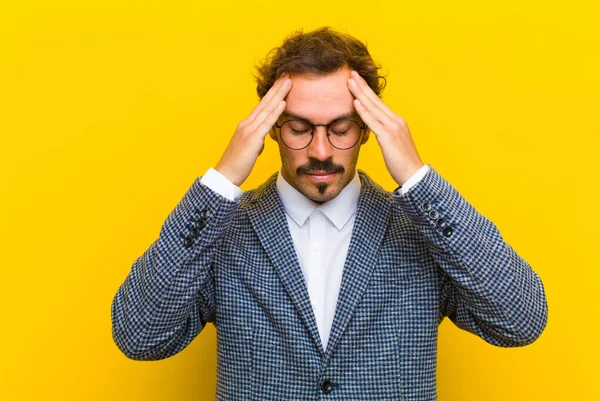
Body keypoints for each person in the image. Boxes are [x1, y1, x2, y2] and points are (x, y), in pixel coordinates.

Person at [111, 27, 548, 400]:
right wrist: (222, 181)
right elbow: (139, 336)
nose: (321, 152)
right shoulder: (225, 229)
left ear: (367, 131)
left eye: (340, 129)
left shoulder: (421, 227)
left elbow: (521, 320)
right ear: (272, 129)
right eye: (300, 129)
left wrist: (417, 178)